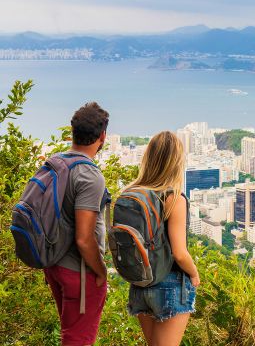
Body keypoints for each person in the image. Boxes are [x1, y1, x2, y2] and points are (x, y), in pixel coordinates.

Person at [44, 102, 110, 346]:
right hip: (79, 272)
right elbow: (84, 238)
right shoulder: (89, 175)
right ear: (102, 136)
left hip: (53, 264)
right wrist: (100, 271)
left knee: (69, 335)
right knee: (78, 340)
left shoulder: (57, 162)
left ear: (73, 132)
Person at [125, 131, 199, 346]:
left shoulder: (132, 193)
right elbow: (179, 252)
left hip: (140, 283)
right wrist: (194, 274)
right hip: (169, 283)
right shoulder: (173, 198)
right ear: (177, 162)